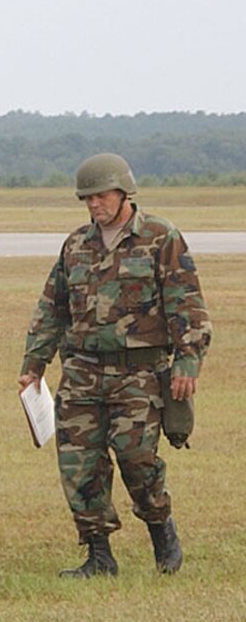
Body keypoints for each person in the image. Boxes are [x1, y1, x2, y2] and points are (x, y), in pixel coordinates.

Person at [21, 153, 209, 577]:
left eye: (101, 196)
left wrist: (188, 361)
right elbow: (51, 309)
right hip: (83, 371)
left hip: (139, 374)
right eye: (87, 198)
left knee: (137, 459)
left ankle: (161, 526)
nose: (94, 205)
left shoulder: (161, 238)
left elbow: (187, 306)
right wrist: (34, 363)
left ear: (125, 193)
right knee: (78, 466)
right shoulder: (75, 246)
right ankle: (99, 555)